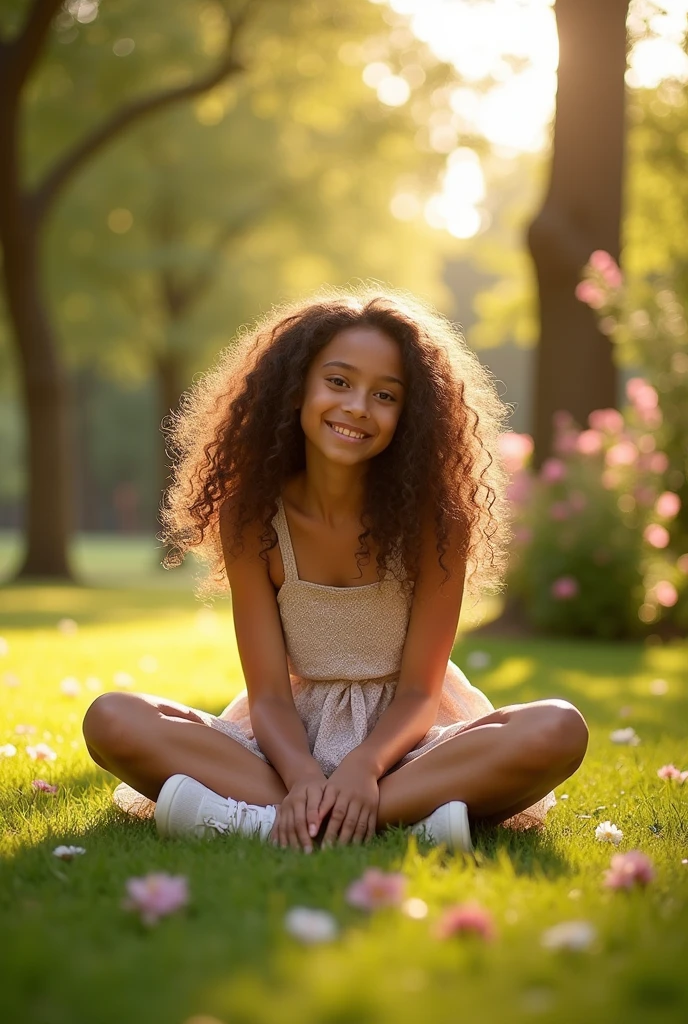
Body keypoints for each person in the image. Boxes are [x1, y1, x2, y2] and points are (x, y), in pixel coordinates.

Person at [82, 289, 588, 853]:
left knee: (558, 728)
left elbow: (421, 691)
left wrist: (365, 768)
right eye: (339, 382)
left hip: (410, 745)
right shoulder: (251, 516)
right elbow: (269, 697)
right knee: (113, 719)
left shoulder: (436, 520)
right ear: (297, 387)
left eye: (386, 395)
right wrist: (301, 774)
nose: (356, 408)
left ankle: (271, 822)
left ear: (411, 413)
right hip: (285, 745)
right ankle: (403, 822)